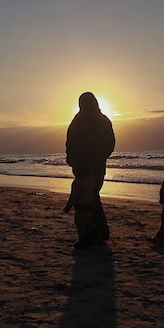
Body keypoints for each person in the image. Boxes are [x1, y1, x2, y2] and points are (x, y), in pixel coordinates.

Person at [65, 92, 115, 241]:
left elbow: (70, 142)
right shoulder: (103, 120)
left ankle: (98, 231)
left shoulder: (78, 120)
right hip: (91, 165)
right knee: (92, 195)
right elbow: (110, 143)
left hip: (86, 165)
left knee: (90, 196)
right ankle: (96, 231)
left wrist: (73, 159)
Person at [63, 159, 97, 247]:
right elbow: (94, 191)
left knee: (79, 223)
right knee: (88, 221)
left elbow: (73, 197)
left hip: (81, 206)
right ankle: (95, 234)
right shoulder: (91, 178)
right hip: (91, 205)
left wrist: (68, 207)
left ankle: (83, 240)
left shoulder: (77, 182)